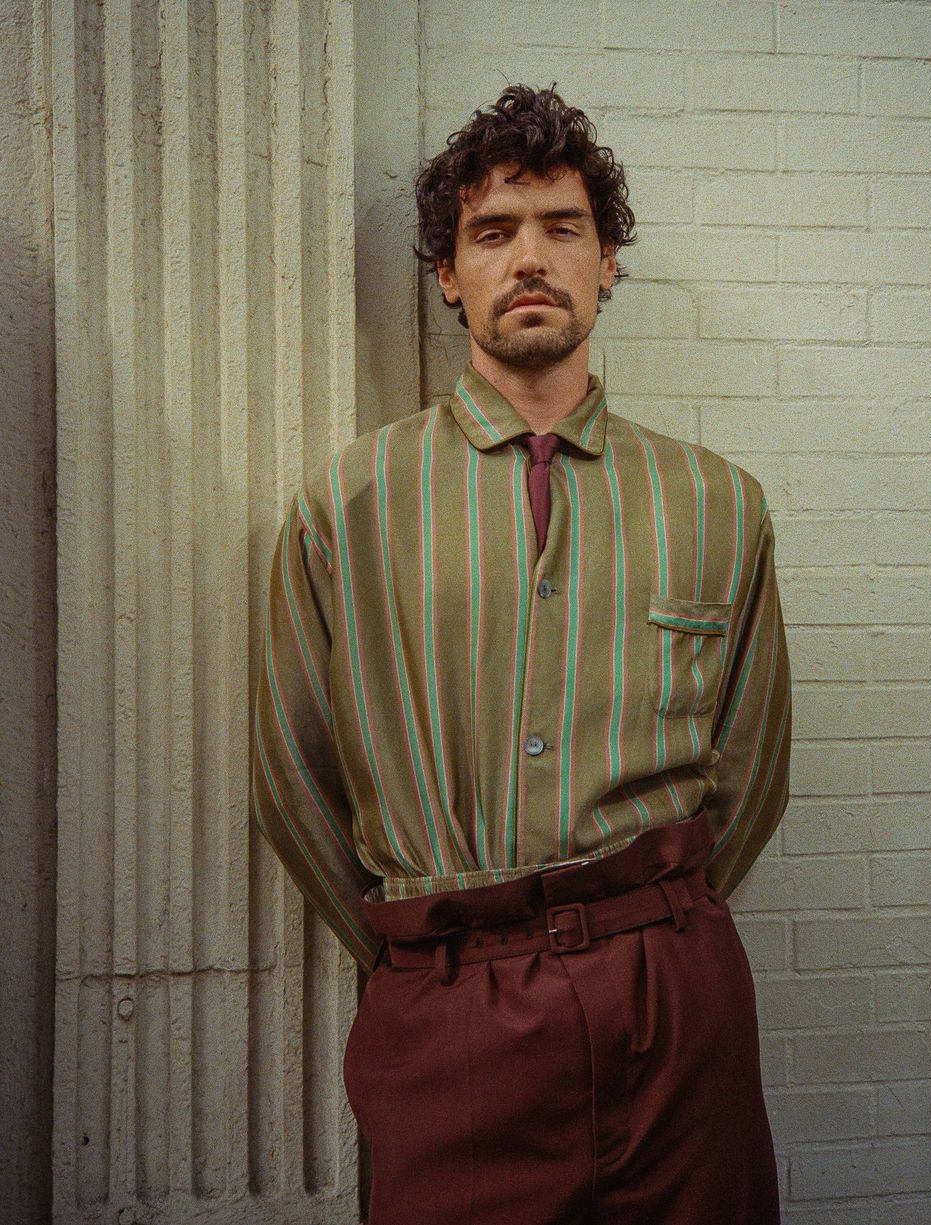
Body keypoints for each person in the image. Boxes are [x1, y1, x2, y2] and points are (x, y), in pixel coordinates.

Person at [252, 85, 791, 1225]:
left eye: (562, 227)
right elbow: (293, 774)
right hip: (448, 1015)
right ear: (449, 274)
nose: (529, 258)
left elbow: (750, 766)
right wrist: (431, 954)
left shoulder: (717, 502)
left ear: (608, 263)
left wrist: (654, 926)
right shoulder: (347, 505)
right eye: (492, 232)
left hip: (673, 1005)